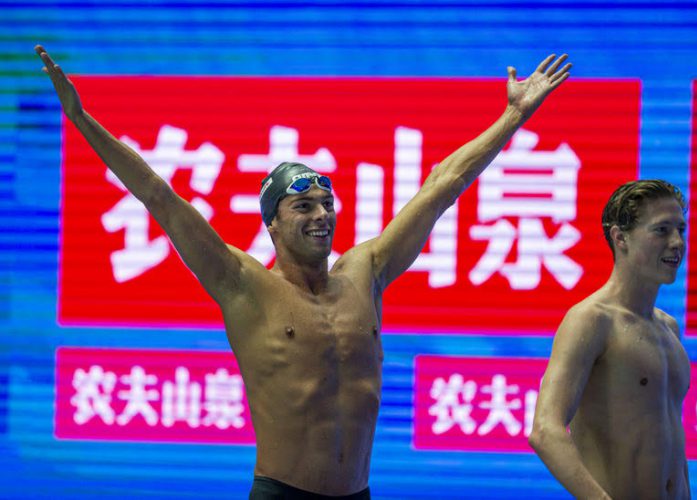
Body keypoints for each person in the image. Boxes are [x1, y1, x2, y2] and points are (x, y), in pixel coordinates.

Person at [36, 44, 570, 499]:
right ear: (272, 223)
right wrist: (82, 120)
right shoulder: (243, 283)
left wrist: (513, 116)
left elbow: (441, 186)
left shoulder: (367, 271)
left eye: (326, 203)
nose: (321, 215)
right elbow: (160, 196)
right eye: (303, 207)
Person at [529, 180, 691, 499]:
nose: (677, 242)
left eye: (681, 230)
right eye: (661, 230)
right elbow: (545, 430)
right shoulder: (592, 320)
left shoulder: (669, 328)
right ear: (620, 238)